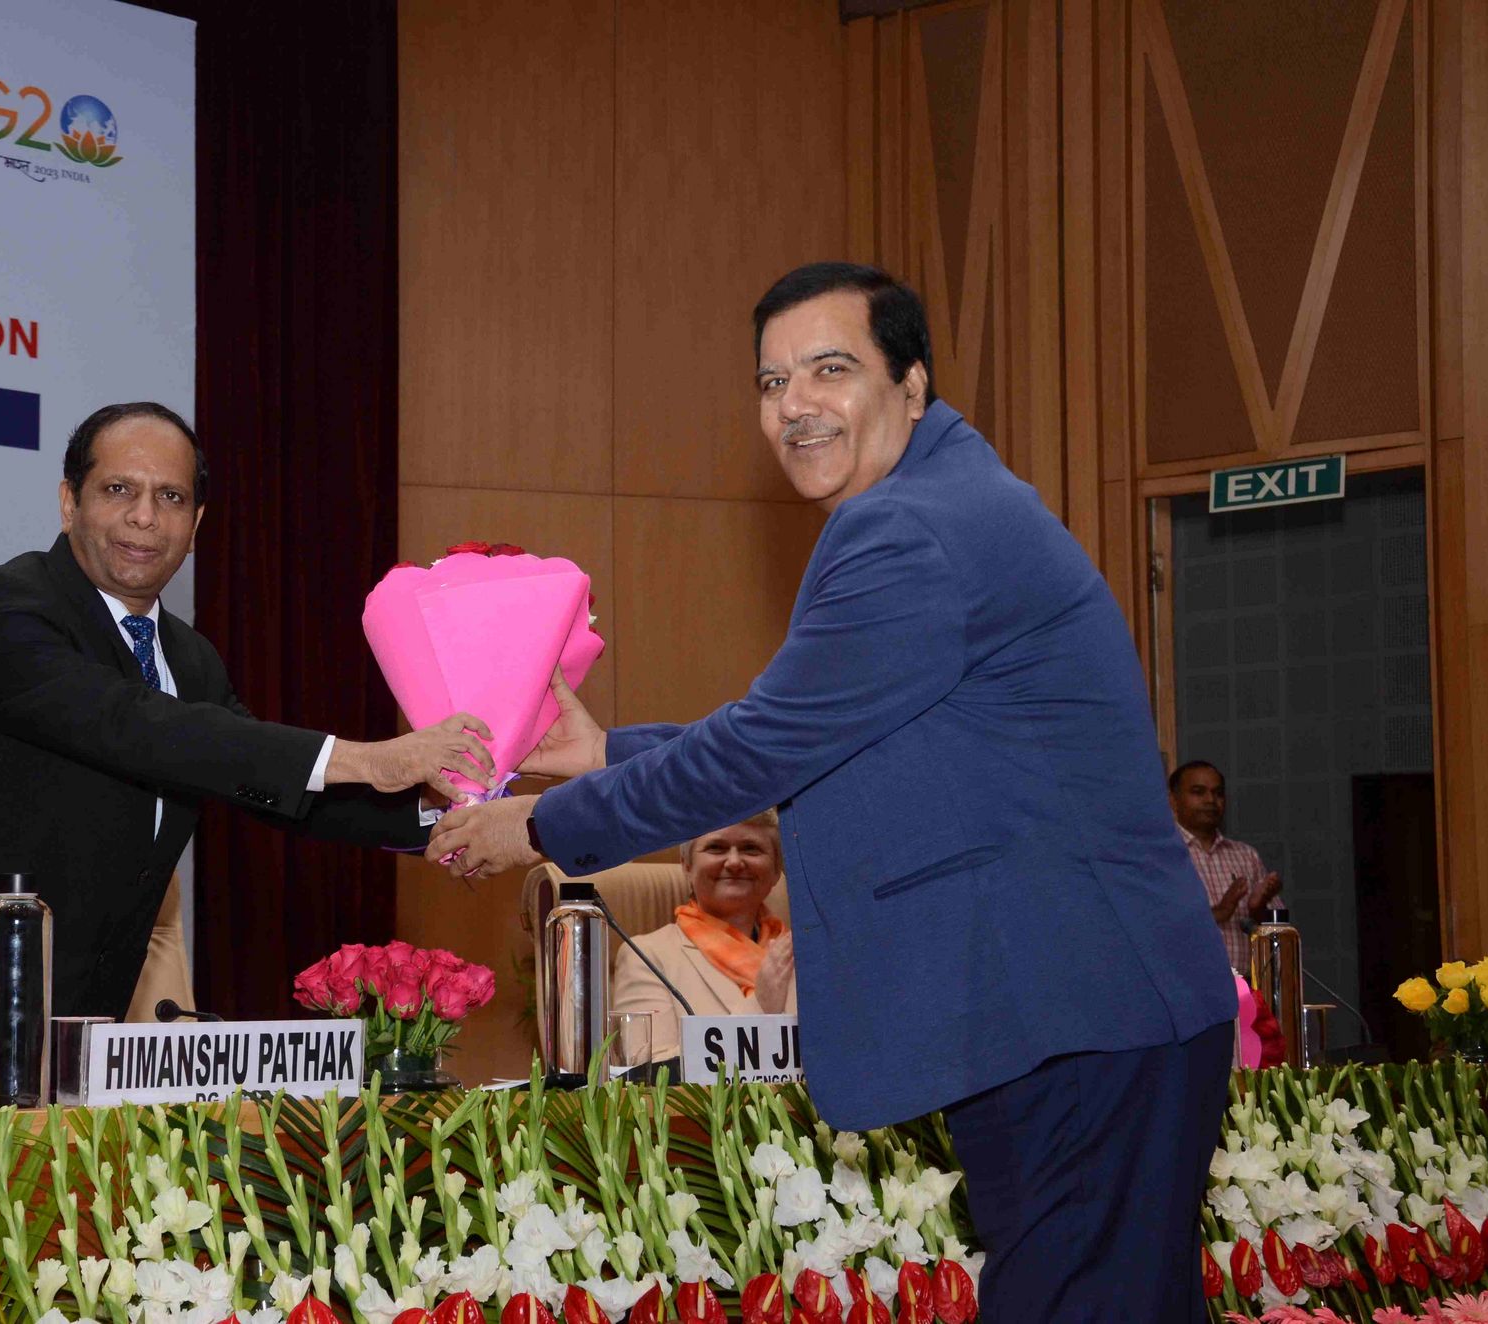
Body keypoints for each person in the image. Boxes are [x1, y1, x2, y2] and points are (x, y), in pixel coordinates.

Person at [427, 264, 1236, 1319]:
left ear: (910, 382)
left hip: (1070, 1012)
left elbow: (766, 745)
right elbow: (834, 735)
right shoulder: (944, 500)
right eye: (770, 381)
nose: (793, 403)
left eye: (829, 368)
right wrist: (601, 754)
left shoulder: (906, 529)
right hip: (1083, 1007)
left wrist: (539, 822)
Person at [0, 402, 495, 1036]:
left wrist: (454, 818)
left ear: (197, 524)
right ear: (69, 502)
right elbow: (132, 725)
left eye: (171, 497)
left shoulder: (190, 657)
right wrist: (375, 757)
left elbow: (266, 787)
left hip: (74, 1027)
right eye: (119, 490)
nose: (146, 517)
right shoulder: (6, 607)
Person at [611, 811, 797, 1062]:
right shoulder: (647, 957)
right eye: (716, 848)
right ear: (686, 865)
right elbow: (650, 1073)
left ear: (776, 870)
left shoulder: (808, 950)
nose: (733, 862)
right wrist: (759, 1007)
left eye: (751, 849)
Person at [1169, 759, 1284, 972]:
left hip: (1245, 991)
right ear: (1173, 801)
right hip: (1185, 991)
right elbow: (1156, 924)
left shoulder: (1246, 855)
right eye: (1198, 792)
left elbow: (1277, 935)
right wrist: (1218, 912)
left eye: (1218, 793)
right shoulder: (1161, 856)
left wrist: (1257, 908)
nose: (1211, 799)